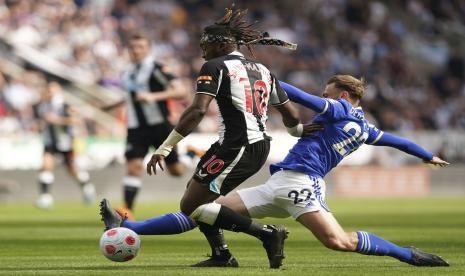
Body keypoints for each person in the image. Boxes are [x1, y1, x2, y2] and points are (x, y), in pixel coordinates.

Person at [100, 6, 317, 269]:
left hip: (239, 146)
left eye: (205, 44)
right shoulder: (262, 70)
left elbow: (197, 110)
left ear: (222, 44)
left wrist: (166, 147)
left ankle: (267, 234)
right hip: (245, 144)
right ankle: (221, 255)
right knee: (197, 199)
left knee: (192, 205)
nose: (202, 49)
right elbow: (289, 111)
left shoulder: (215, 66)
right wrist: (298, 131)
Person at [188, 75, 450, 267]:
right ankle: (221, 254)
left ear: (344, 95)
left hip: (302, 183)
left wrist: (265, 80)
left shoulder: (340, 108)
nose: (324, 98)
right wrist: (428, 155)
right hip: (282, 181)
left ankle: (406, 254)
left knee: (338, 241)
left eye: (327, 94)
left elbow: (301, 96)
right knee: (207, 210)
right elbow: (400, 142)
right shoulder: (367, 128)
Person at [106, 32, 188, 219]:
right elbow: (131, 96)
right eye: (133, 47)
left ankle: (189, 154)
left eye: (140, 47)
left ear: (148, 49)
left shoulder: (157, 68)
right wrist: (113, 104)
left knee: (176, 171)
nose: (136, 51)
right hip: (136, 127)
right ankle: (128, 210)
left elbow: (181, 91)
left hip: (160, 126)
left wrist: (153, 96)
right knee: (133, 166)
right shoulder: (126, 72)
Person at [34, 81, 96, 209]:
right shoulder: (43, 106)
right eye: (48, 90)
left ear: (58, 92)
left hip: (65, 143)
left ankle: (87, 188)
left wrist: (57, 120)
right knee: (46, 166)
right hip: (50, 142)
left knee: (73, 171)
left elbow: (77, 120)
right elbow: (42, 121)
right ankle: (46, 198)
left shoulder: (65, 106)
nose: (50, 93)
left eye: (52, 90)